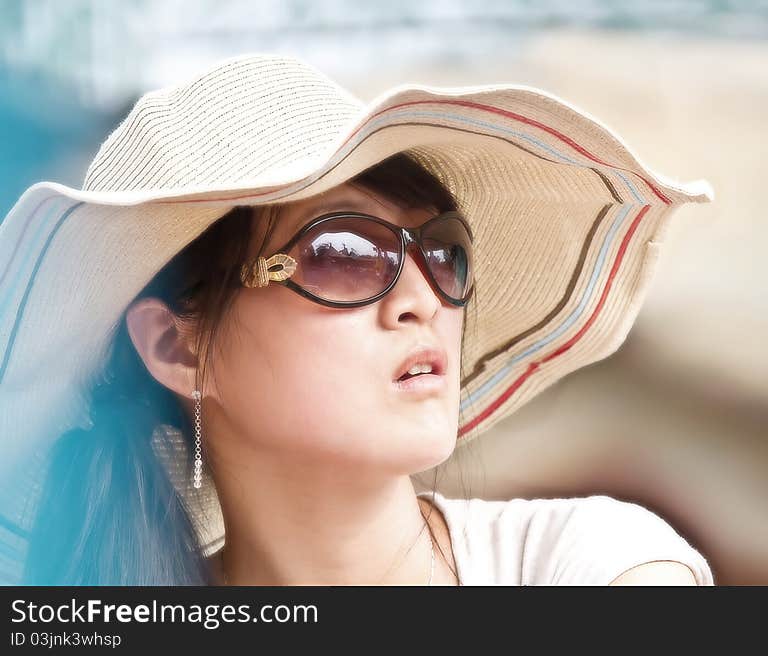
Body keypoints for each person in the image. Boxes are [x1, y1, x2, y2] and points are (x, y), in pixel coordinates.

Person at [0, 53, 715, 586]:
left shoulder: (598, 567)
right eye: (344, 254)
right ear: (176, 347)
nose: (424, 299)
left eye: (443, 252)